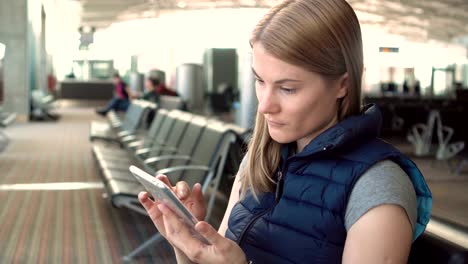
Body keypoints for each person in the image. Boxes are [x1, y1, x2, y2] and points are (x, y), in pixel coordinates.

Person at [138, 0, 432, 263]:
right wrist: (188, 245)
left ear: (343, 85)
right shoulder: (259, 159)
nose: (264, 106)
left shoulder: (377, 186)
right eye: (260, 81)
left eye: (288, 88)